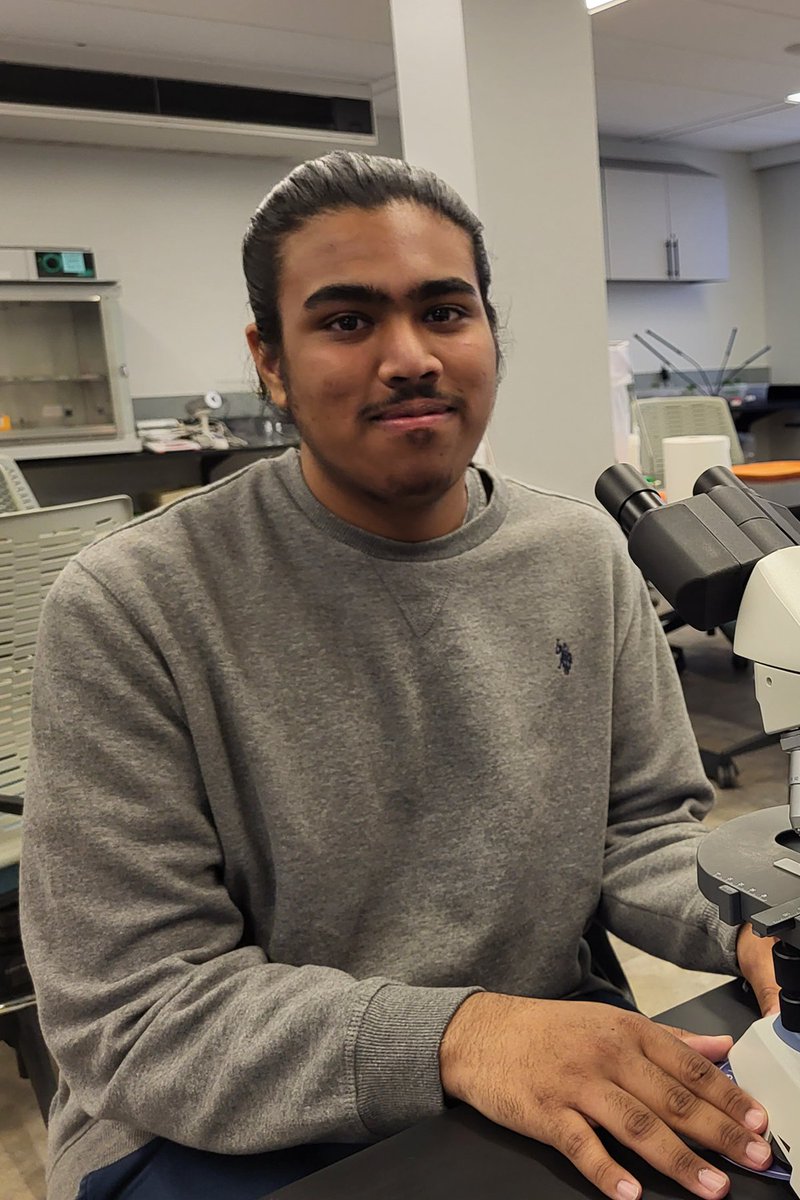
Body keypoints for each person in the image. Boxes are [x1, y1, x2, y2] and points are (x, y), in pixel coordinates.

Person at [21, 151, 779, 1200]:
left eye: (443, 311)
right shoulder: (133, 605)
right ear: (269, 361)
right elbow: (135, 1013)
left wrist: (747, 920)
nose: (408, 356)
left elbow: (637, 831)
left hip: (538, 1057)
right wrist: (463, 1036)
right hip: (224, 1127)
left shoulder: (577, 555)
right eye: (345, 321)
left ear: (488, 334)